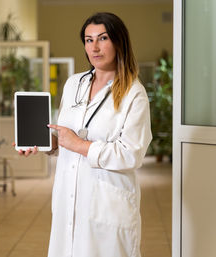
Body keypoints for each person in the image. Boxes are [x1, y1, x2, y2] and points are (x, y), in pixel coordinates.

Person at [18, 12, 152, 257]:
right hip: (68, 198)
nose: (95, 47)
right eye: (89, 40)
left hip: (107, 203)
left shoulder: (134, 93)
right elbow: (64, 136)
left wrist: (80, 144)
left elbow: (131, 154)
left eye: (102, 38)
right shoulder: (73, 84)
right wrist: (47, 143)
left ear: (118, 42)